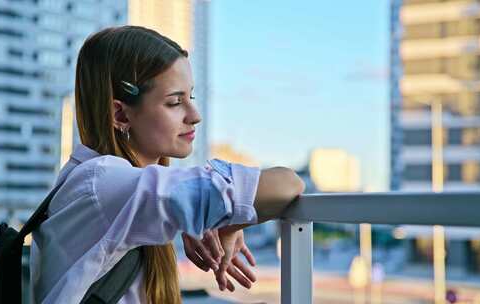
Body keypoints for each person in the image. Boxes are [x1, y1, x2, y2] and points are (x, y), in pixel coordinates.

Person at [29, 25, 305, 304]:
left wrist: (202, 216)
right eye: (175, 102)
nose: (195, 115)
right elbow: (288, 183)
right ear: (120, 114)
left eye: (191, 97)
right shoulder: (104, 182)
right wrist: (226, 221)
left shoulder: (101, 184)